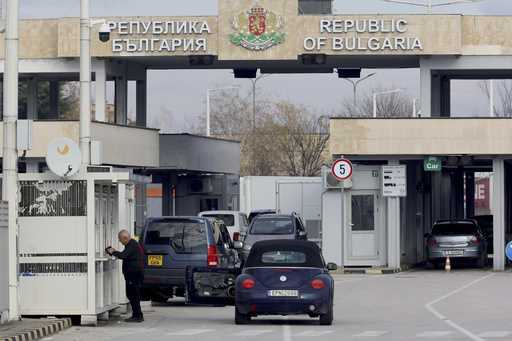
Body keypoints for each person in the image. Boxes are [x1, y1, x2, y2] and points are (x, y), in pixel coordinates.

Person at [106, 230, 145, 323]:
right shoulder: (131, 244)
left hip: (133, 274)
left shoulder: (132, 245)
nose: (120, 241)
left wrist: (113, 252)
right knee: (132, 294)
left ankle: (138, 315)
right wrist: (115, 251)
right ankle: (137, 314)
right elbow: (125, 255)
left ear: (125, 238)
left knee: (133, 294)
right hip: (133, 274)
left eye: (120, 239)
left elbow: (123, 255)